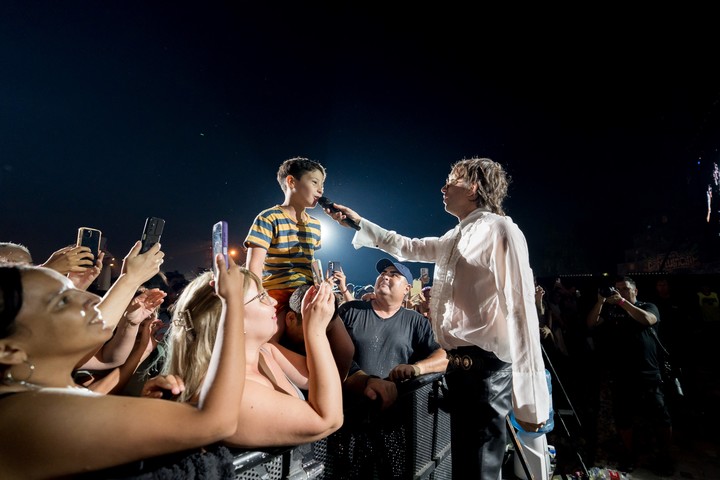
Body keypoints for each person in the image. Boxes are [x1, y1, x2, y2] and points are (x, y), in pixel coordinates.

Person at [325, 157, 550, 480]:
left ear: (474, 186)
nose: (443, 187)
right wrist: (359, 223)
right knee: (465, 466)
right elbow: (406, 246)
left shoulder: (501, 230)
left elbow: (521, 310)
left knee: (481, 468)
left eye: (452, 180)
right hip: (460, 372)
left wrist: (531, 401)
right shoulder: (454, 237)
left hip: (487, 371)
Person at [0, 253, 247, 479]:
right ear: (9, 350)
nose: (91, 299)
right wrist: (232, 304)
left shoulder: (36, 398)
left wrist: (143, 410)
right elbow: (217, 422)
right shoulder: (34, 417)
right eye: (62, 302)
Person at [158, 268, 343, 448]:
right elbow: (328, 420)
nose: (273, 301)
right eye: (261, 297)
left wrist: (324, 310)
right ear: (232, 318)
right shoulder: (228, 392)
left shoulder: (267, 351)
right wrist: (315, 330)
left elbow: (319, 380)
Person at [586, 276, 674, 475]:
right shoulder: (612, 310)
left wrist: (622, 302)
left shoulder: (648, 306)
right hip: (621, 374)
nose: (620, 292)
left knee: (660, 416)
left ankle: (666, 456)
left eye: (625, 289)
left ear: (635, 291)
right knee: (624, 417)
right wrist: (601, 302)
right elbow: (591, 323)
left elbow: (648, 320)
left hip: (648, 372)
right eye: (617, 289)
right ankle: (630, 455)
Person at [244, 156, 326, 312]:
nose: (321, 189)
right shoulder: (268, 218)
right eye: (315, 182)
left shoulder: (315, 225)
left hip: (306, 293)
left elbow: (311, 263)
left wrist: (322, 284)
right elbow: (254, 266)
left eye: (323, 185)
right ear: (291, 182)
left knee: (335, 322)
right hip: (277, 293)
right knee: (276, 330)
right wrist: (260, 297)